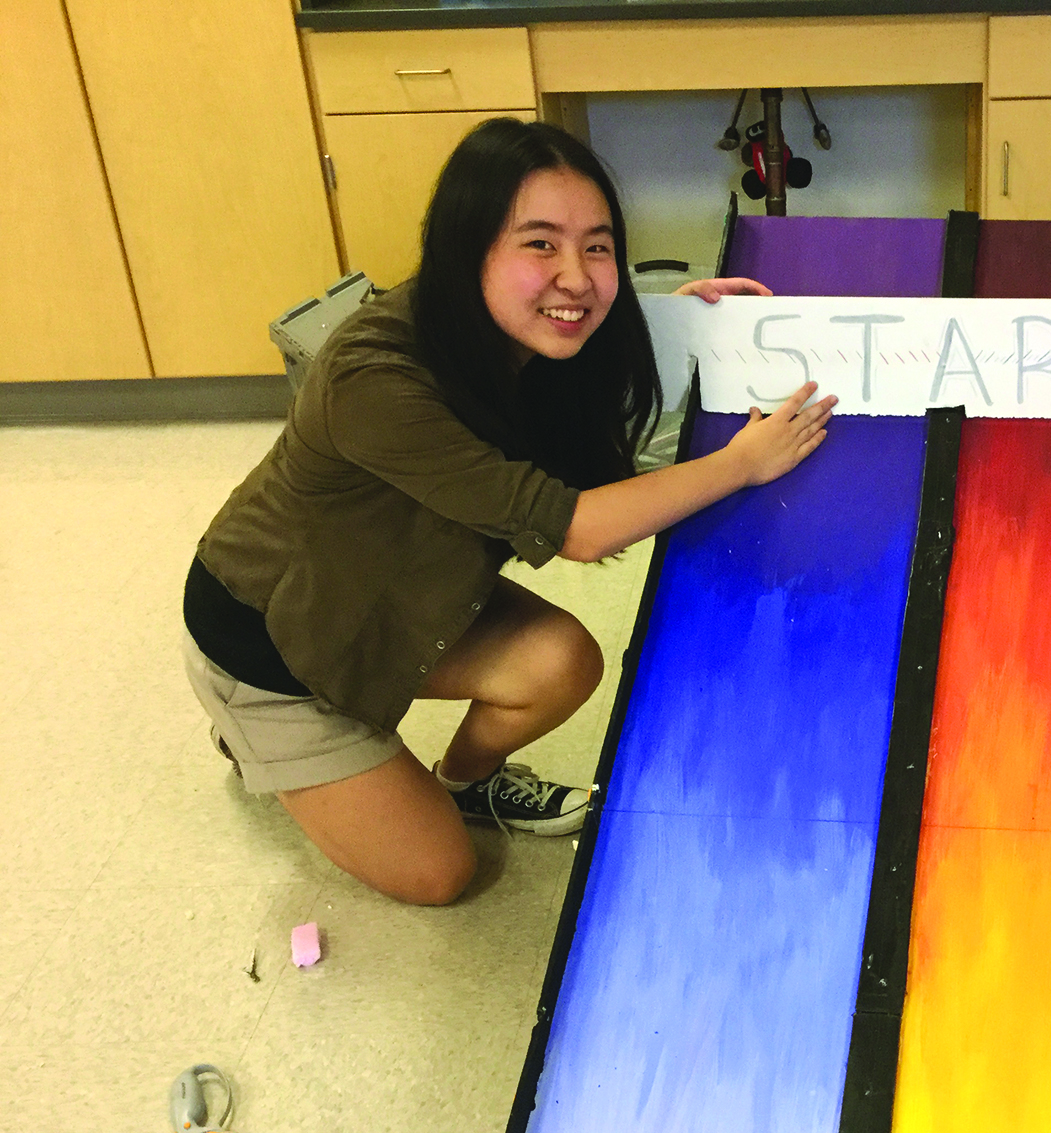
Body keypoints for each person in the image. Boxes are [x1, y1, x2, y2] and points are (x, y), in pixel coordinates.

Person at [183, 118, 836, 907]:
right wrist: (739, 464)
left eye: (596, 245)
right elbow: (581, 530)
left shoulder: (508, 332)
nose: (578, 275)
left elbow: (575, 315)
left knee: (559, 662)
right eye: (540, 244)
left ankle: (463, 782)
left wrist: (671, 315)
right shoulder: (375, 378)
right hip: (277, 646)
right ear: (467, 248)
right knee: (440, 876)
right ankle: (251, 736)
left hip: (406, 599)